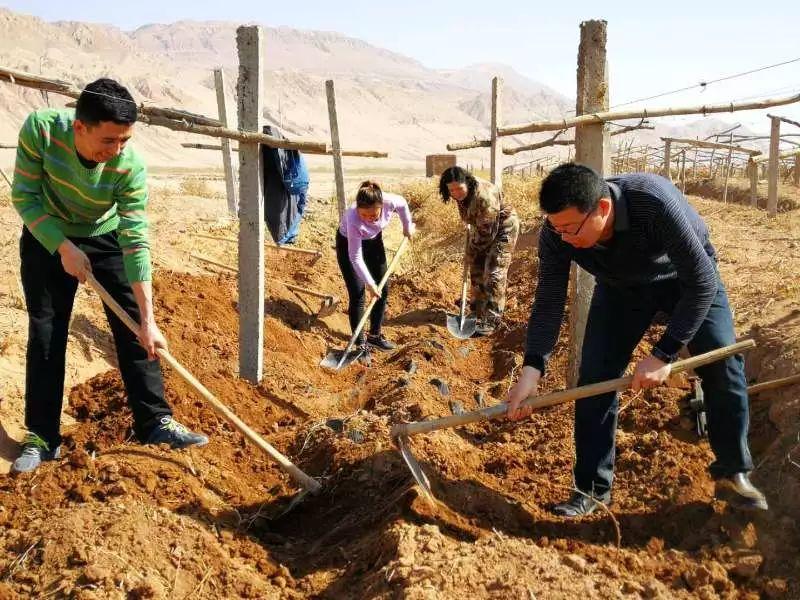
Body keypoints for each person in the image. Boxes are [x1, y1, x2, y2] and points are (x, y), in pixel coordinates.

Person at [506, 163, 767, 516]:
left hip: (686, 282)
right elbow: (549, 298)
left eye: (571, 229)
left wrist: (663, 355)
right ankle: (592, 491)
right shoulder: (557, 232)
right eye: (558, 229)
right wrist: (532, 369)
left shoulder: (653, 202)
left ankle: (733, 474)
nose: (565, 238)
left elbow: (702, 282)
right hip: (621, 290)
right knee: (597, 378)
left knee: (721, 362)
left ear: (602, 208)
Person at [10, 78, 208, 473]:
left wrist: (148, 321)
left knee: (135, 328)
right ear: (80, 127)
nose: (116, 150)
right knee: (47, 333)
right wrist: (63, 247)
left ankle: (154, 422)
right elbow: (25, 197)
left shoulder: (128, 166)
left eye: (125, 140)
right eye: (109, 141)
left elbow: (135, 242)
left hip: (106, 235)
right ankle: (42, 437)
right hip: (48, 233)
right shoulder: (42, 130)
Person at [336, 181, 415, 365]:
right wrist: (369, 283)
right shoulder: (352, 218)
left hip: (373, 242)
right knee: (358, 294)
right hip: (349, 244)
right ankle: (360, 345)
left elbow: (403, 204)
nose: (368, 218)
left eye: (373, 215)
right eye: (364, 214)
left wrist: (407, 226)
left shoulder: (389, 201)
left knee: (383, 289)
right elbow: (355, 257)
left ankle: (374, 336)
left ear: (381, 207)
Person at [439, 166, 519, 336]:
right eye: (451, 190)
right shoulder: (462, 194)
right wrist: (472, 253)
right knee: (475, 268)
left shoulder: (484, 196)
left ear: (467, 182)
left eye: (459, 188)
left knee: (494, 271)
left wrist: (471, 251)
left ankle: (492, 318)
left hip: (503, 228)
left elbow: (487, 233)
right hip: (483, 229)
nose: (456, 193)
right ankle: (477, 311)